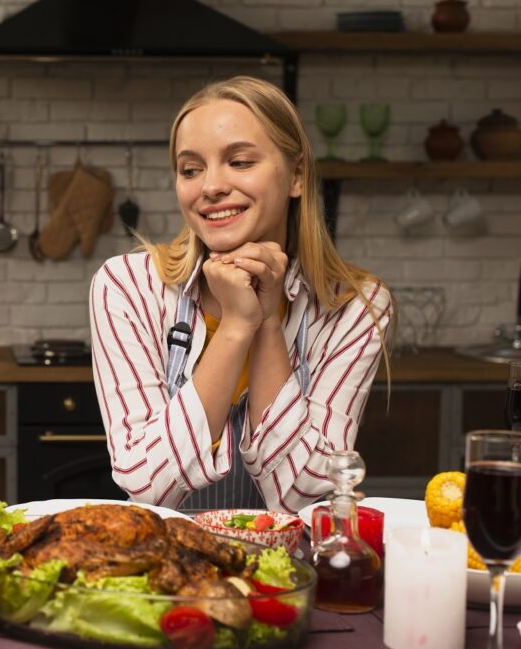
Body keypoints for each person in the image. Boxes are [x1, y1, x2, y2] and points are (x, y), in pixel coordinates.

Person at [89, 76, 392, 513]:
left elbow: (301, 493)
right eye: (191, 170)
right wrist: (236, 327)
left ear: (297, 176)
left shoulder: (353, 306)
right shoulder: (128, 286)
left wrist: (268, 320)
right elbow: (148, 485)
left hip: (288, 572)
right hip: (171, 566)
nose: (210, 186)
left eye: (240, 162)